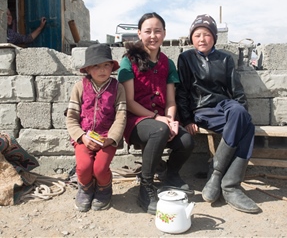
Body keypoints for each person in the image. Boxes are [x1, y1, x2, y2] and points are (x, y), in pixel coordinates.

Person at [176, 14, 261, 214]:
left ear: (214, 37)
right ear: (192, 39)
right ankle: (230, 184)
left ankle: (217, 175)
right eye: (197, 35)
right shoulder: (186, 58)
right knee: (247, 127)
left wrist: (241, 115)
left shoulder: (224, 58)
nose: (202, 39)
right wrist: (186, 118)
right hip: (202, 109)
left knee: (242, 115)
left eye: (206, 34)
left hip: (225, 106)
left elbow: (236, 89)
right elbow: (182, 91)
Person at [117, 12, 195, 215]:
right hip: (136, 121)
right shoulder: (128, 61)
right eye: (148, 31)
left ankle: (170, 175)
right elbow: (129, 102)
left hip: (160, 120)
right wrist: (158, 119)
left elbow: (170, 100)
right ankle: (146, 186)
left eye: (157, 31)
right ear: (139, 34)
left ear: (164, 33)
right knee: (159, 129)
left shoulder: (167, 63)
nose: (153, 35)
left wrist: (170, 119)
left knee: (186, 140)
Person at [66, 44, 127, 212]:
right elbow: (71, 118)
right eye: (96, 66)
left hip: (107, 138)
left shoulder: (117, 88)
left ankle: (103, 189)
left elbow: (121, 116)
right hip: (84, 137)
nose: (102, 70)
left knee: (100, 168)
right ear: (88, 69)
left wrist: (110, 139)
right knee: (84, 166)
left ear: (111, 67)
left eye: (106, 65)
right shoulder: (79, 87)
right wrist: (82, 137)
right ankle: (85, 188)